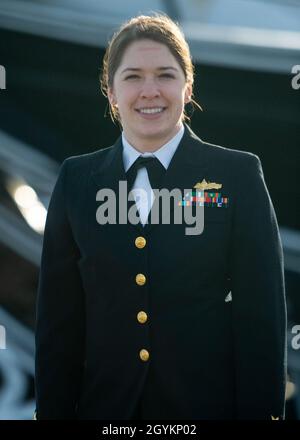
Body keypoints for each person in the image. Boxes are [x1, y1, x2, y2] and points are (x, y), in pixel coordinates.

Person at [34, 13, 287, 420]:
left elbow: (261, 318)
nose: (150, 91)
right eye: (132, 76)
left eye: (165, 75)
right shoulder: (76, 181)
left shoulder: (236, 175)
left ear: (187, 87)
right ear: (111, 91)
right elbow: (58, 326)